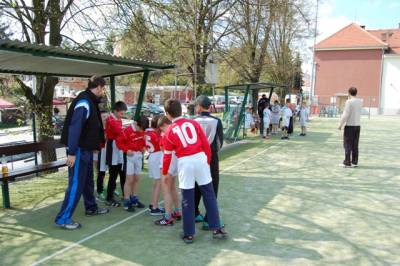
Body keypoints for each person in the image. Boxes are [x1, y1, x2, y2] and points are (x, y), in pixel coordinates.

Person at [162, 99, 227, 243]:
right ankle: (216, 228)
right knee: (209, 194)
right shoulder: (193, 123)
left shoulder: (169, 131)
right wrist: (207, 161)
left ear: (167, 114)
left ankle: (189, 233)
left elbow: (167, 157)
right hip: (200, 159)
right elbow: (205, 144)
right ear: (181, 110)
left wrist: (166, 173)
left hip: (185, 163)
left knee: (187, 199)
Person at [55, 76, 109, 230]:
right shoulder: (84, 101)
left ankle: (91, 207)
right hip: (77, 150)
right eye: (103, 88)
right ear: (98, 87)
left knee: (87, 181)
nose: (103, 91)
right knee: (76, 183)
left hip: (85, 149)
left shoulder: (90, 101)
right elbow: (75, 127)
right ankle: (63, 218)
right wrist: (72, 152)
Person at [194, 95, 224, 230]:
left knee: (195, 186)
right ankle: (209, 219)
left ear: (199, 107)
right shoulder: (216, 121)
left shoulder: (192, 121)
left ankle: (194, 213)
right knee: (211, 187)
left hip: (195, 158)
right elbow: (219, 143)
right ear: (209, 106)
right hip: (211, 159)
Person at [116, 115, 148, 211]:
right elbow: (119, 142)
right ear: (136, 124)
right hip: (130, 157)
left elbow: (143, 141)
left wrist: (143, 147)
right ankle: (126, 201)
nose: (141, 131)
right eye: (140, 128)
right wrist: (126, 150)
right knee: (129, 179)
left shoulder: (142, 130)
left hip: (138, 157)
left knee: (137, 178)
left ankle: (134, 199)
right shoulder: (127, 131)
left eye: (143, 129)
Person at [154, 116, 182, 226]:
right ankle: (177, 211)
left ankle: (167, 217)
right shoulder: (177, 130)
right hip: (176, 161)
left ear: (165, 124)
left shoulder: (166, 133)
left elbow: (163, 149)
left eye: (162, 128)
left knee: (166, 190)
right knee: (172, 188)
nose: (161, 131)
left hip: (167, 162)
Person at [105, 101, 127, 207]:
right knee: (113, 174)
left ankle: (125, 194)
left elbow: (121, 132)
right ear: (115, 111)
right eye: (121, 113)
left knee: (122, 172)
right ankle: (109, 197)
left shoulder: (117, 119)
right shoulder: (110, 119)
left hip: (119, 147)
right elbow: (119, 132)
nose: (122, 116)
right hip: (113, 147)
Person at [338, 87, 362, 168]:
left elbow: (346, 114)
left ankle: (347, 162)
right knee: (355, 145)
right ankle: (354, 162)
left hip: (350, 126)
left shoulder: (349, 102)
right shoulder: (360, 101)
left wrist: (340, 124)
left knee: (347, 144)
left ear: (349, 93)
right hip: (357, 126)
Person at [145, 115, 164, 215]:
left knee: (157, 182)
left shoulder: (147, 132)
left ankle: (153, 204)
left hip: (152, 156)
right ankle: (154, 207)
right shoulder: (155, 134)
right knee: (158, 182)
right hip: (157, 156)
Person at [93, 110, 109, 201]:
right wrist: (95, 150)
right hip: (98, 152)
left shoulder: (109, 127)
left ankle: (105, 186)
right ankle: (99, 191)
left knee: (104, 170)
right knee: (98, 171)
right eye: (103, 117)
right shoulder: (97, 128)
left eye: (107, 117)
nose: (105, 119)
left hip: (106, 152)